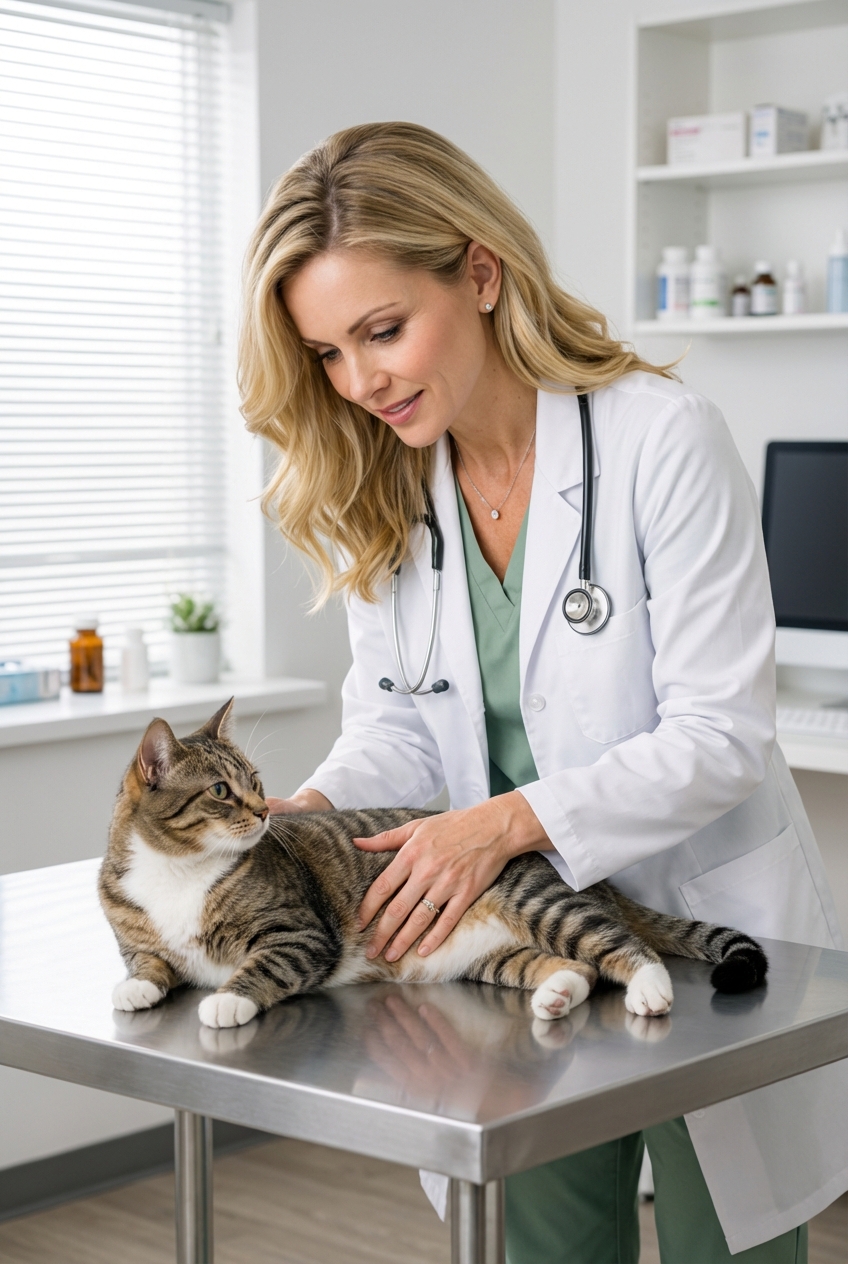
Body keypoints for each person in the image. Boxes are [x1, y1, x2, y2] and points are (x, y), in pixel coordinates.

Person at [239, 121, 845, 1263]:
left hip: (701, 939)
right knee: (547, 1247)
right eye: (325, 353)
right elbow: (395, 729)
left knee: (731, 1241)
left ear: (477, 271)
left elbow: (720, 732)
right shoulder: (389, 489)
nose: (359, 381)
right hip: (520, 958)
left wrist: (503, 825)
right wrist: (307, 820)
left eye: (381, 331)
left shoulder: (659, 437)